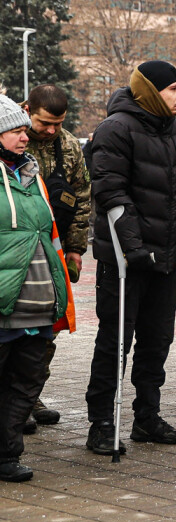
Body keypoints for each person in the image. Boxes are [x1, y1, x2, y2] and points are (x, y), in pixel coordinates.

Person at [84, 60, 176, 453]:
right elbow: (111, 193)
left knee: (157, 340)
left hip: (166, 259)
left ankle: (147, 417)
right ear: (149, 92)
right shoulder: (115, 129)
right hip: (125, 262)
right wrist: (134, 249)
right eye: (173, 88)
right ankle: (102, 423)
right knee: (115, 342)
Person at [0, 95, 75, 481]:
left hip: (37, 301)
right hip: (3, 303)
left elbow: (50, 237)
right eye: (14, 131)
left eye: (21, 129)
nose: (24, 137)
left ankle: (7, 456)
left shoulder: (31, 176)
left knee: (27, 381)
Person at [22, 84, 90, 429]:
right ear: (26, 110)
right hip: (17, 252)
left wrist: (76, 249)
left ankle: (30, 395)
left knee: (48, 326)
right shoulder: (13, 140)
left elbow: (81, 196)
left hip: (54, 250)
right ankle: (14, 400)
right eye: (44, 123)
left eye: (58, 124)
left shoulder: (69, 145)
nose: (50, 130)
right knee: (15, 326)